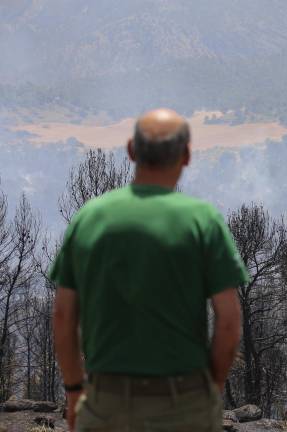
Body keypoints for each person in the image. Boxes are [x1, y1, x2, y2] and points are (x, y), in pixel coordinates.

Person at [51, 108, 248, 431]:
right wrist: (209, 389)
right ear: (186, 156)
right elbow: (228, 322)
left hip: (106, 403)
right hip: (184, 404)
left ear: (131, 150)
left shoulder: (90, 217)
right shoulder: (202, 220)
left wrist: (74, 391)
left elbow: (63, 316)